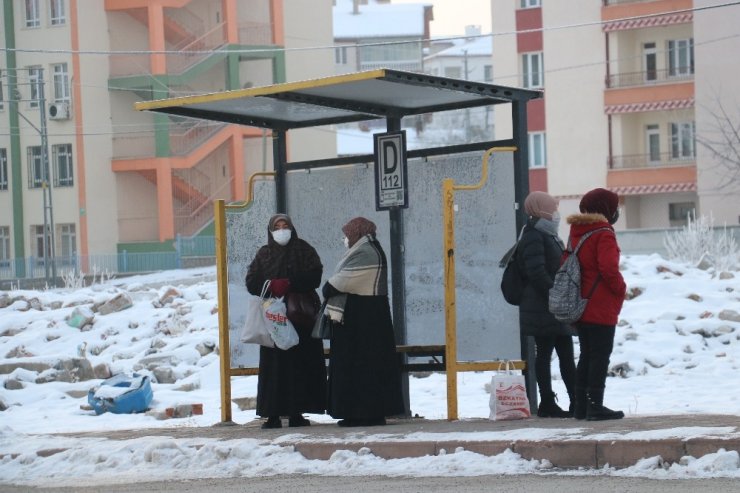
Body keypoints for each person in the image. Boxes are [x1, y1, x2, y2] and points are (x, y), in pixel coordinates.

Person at [245, 214, 327, 429]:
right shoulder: (264, 254)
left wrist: (291, 283)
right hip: (274, 319)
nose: (282, 230)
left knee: (300, 363)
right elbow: (251, 282)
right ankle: (272, 414)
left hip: (300, 316)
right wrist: (271, 285)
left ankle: (296, 413)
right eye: (277, 227)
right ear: (270, 231)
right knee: (274, 367)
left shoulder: (304, 249)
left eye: (285, 226)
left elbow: (315, 276)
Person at [322, 217, 405, 427]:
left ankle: (359, 414)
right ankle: (368, 413)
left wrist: (329, 286)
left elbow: (337, 284)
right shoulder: (369, 249)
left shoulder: (366, 252)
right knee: (368, 368)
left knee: (358, 368)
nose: (346, 239)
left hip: (361, 321)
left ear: (357, 234)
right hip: (368, 319)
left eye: (348, 235)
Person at [566, 188, 627, 421]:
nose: (616, 212)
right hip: (600, 304)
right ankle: (595, 406)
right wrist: (621, 289)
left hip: (581, 304)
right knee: (600, 356)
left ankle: (582, 406)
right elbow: (609, 269)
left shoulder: (577, 232)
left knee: (587, 355)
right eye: (614, 207)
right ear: (606, 209)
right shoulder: (604, 233)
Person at [518, 191, 577, 418]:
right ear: (540, 210)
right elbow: (536, 271)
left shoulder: (547, 233)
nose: (556, 213)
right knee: (545, 354)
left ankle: (575, 400)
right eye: (552, 208)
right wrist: (555, 292)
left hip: (552, 306)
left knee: (564, 353)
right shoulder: (534, 235)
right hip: (543, 306)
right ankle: (547, 403)